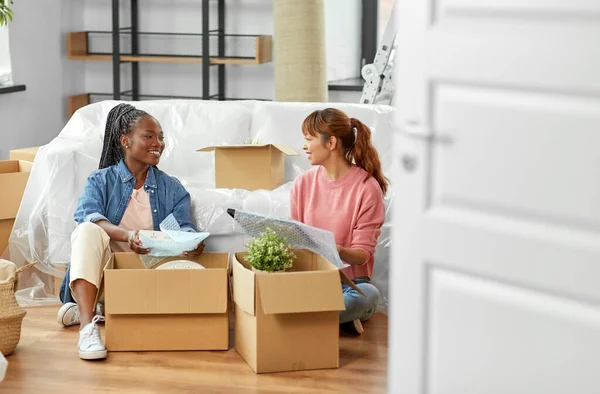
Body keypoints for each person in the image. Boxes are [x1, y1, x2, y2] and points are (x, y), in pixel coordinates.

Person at [56, 103, 205, 360]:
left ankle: (90, 310)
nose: (157, 143)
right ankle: (87, 327)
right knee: (87, 229)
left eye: (160, 137)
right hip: (104, 277)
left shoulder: (172, 188)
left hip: (146, 278)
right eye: (148, 136)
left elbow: (184, 228)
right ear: (125, 141)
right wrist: (127, 235)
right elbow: (88, 216)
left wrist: (190, 243)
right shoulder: (100, 180)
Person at [290, 108, 387, 335]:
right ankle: (329, 317)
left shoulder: (366, 188)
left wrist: (336, 250)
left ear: (331, 142)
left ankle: (300, 317)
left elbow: (363, 253)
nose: (304, 146)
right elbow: (295, 235)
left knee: (368, 295)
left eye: (308, 139)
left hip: (349, 283)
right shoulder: (302, 183)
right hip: (311, 277)